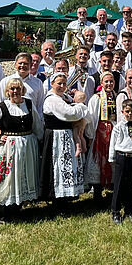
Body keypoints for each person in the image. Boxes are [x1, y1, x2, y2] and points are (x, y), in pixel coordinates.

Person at [0, 78, 42, 222]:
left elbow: (37, 124)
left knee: (25, 175)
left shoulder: (29, 104)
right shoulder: (2, 106)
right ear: (7, 91)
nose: (15, 91)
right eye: (12, 89)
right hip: (10, 147)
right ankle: (7, 211)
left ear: (23, 90)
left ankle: (19, 207)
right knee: (11, 177)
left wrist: (39, 140)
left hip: (29, 145)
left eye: (18, 88)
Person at [40, 72, 88, 202]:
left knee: (67, 166)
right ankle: (57, 198)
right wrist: (81, 106)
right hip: (56, 137)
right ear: (52, 84)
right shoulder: (52, 99)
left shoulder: (63, 97)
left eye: (64, 83)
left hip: (66, 136)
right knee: (57, 167)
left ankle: (66, 197)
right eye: (59, 83)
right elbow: (70, 113)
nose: (62, 86)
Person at [85, 71, 119, 194]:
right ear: (101, 83)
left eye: (111, 81)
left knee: (112, 159)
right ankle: (98, 191)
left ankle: (112, 188)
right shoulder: (96, 98)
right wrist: (90, 135)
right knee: (98, 160)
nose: (109, 83)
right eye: (107, 81)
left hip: (114, 133)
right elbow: (92, 118)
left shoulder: (117, 96)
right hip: (100, 134)